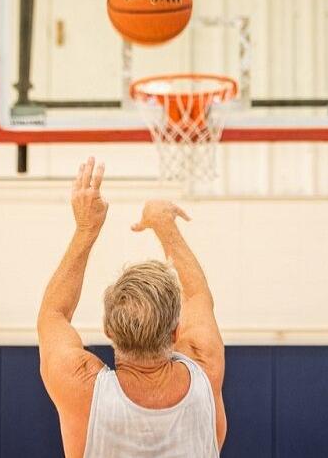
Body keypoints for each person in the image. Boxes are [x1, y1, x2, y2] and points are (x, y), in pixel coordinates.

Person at [37, 157, 226, 458]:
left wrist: (86, 229)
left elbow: (53, 314)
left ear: (108, 329)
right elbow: (197, 296)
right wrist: (164, 226)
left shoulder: (81, 388)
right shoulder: (206, 366)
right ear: (177, 329)